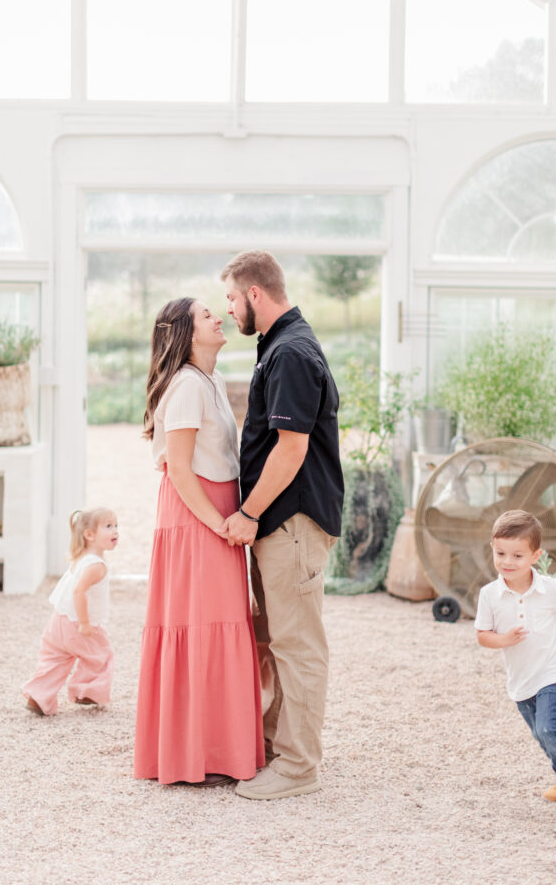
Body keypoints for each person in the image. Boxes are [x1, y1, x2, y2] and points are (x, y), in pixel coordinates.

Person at [220, 250, 344, 800]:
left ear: (254, 294)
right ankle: (276, 747)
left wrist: (248, 513)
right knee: (278, 639)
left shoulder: (291, 352)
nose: (227, 311)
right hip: (281, 522)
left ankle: (299, 769)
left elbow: (291, 451)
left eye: (229, 298)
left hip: (291, 521)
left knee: (297, 645)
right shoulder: (279, 344)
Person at [133, 297, 264, 787]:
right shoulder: (187, 385)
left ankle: (214, 749)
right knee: (202, 624)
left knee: (221, 623)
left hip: (213, 513)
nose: (218, 317)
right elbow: (181, 471)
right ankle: (193, 753)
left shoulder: (207, 380)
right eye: (206, 314)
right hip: (196, 517)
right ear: (186, 333)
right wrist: (219, 524)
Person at [475, 509, 556, 809]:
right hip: (520, 680)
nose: (507, 562)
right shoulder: (489, 595)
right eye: (501, 553)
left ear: (536, 556)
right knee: (541, 735)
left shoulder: (550, 589)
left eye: (517, 556)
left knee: (549, 728)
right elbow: (483, 635)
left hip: (550, 673)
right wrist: (504, 639)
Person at [23, 508, 118, 716]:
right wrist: (84, 623)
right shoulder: (97, 566)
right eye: (108, 526)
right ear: (89, 535)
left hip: (58, 620)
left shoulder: (81, 557)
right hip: (78, 622)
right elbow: (79, 591)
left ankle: (38, 697)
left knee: (55, 659)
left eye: (116, 526)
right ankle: (87, 692)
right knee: (101, 655)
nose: (115, 531)